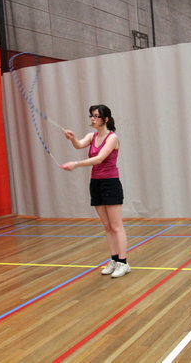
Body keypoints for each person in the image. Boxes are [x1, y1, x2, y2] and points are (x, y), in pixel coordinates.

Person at [60, 104, 130, 278]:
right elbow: (79, 145)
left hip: (111, 183)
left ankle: (123, 262)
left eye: (96, 116)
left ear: (105, 119)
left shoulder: (112, 138)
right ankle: (114, 260)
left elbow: (98, 159)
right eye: (91, 116)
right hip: (96, 183)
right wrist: (73, 139)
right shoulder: (91, 136)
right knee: (107, 226)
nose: (92, 119)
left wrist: (75, 164)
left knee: (116, 226)